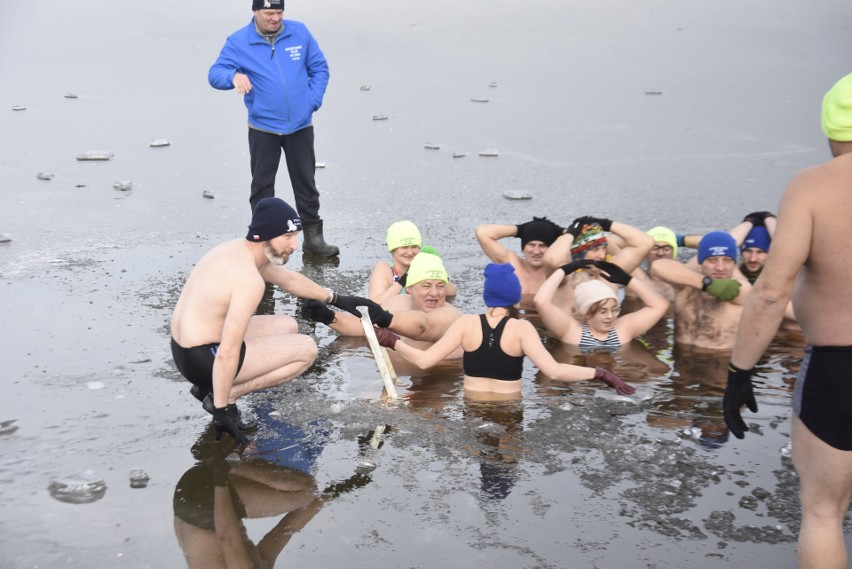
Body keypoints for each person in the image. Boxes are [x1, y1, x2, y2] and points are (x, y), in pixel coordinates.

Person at [724, 72, 852, 569]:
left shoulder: (813, 187)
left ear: (830, 130)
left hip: (838, 369)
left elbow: (772, 291)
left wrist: (740, 371)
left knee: (823, 513)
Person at [170, 197, 381, 444]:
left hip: (184, 347)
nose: (294, 245)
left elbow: (288, 280)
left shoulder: (238, 250)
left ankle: (212, 388)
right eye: (287, 237)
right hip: (205, 358)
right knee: (306, 350)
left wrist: (336, 298)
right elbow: (228, 351)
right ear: (266, 236)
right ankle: (221, 393)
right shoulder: (249, 281)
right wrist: (221, 410)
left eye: (296, 236)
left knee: (287, 325)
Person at [373, 263, 635, 397]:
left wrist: (392, 340)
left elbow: (424, 360)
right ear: (516, 299)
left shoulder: (466, 323)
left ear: (488, 297)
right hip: (508, 410)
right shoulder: (522, 329)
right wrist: (600, 373)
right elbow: (554, 371)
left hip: (472, 407)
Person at [208, 0, 338, 257]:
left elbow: (320, 68)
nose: (275, 18)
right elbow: (215, 73)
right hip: (263, 127)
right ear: (255, 11)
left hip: (300, 126)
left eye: (279, 12)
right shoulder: (238, 41)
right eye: (269, 13)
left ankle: (313, 239)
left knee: (306, 183)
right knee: (262, 187)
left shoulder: (299, 32)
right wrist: (233, 76)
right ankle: (262, 244)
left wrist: (311, 101)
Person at [302, 251, 463, 354]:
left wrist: (387, 319)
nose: (434, 293)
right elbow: (362, 327)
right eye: (426, 286)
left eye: (440, 286)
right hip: (400, 377)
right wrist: (328, 316)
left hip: (439, 380)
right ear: (411, 288)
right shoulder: (398, 303)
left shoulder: (450, 315)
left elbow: (424, 327)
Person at [534, 259, 669, 351]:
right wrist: (564, 270)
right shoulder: (572, 331)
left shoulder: (623, 329)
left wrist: (627, 280)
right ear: (586, 313)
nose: (610, 316)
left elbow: (660, 305)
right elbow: (540, 302)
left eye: (614, 310)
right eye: (603, 311)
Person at [649, 231, 750, 351]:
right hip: (680, 361)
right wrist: (707, 283)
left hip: (720, 362)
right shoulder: (686, 285)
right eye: (712, 260)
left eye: (727, 260)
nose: (720, 268)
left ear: (735, 263)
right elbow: (658, 266)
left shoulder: (742, 288)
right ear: (700, 262)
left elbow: (735, 289)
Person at [541, 216, 654, 310]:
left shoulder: (609, 272)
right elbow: (551, 259)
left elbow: (646, 242)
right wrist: (570, 234)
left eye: (604, 248)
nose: (601, 255)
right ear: (578, 253)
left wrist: (606, 223)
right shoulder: (564, 278)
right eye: (595, 250)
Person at [368, 220, 457, 303]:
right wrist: (405, 278)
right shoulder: (384, 268)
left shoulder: (423, 267)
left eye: (414, 247)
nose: (410, 252)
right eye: (404, 247)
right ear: (393, 249)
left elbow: (451, 294)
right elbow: (376, 303)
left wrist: (437, 267)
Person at [475, 216, 564, 297]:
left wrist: (561, 232)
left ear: (551, 248)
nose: (536, 251)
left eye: (542, 245)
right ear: (523, 247)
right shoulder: (513, 266)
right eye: (531, 245)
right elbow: (482, 232)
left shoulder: (559, 272)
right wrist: (520, 229)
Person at [728, 211, 776, 284]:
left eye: (760, 252)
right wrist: (750, 221)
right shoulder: (726, 274)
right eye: (748, 251)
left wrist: (768, 217)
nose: (753, 259)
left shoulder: (781, 278)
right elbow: (724, 246)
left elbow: (786, 244)